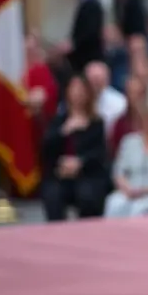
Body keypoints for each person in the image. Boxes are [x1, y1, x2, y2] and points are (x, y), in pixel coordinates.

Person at [39, 75, 109, 221]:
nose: (77, 93)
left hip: (87, 173)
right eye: (74, 89)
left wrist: (80, 162)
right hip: (61, 174)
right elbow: (46, 149)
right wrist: (64, 131)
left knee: (87, 196)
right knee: (53, 195)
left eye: (81, 89)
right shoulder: (58, 121)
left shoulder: (97, 122)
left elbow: (100, 153)